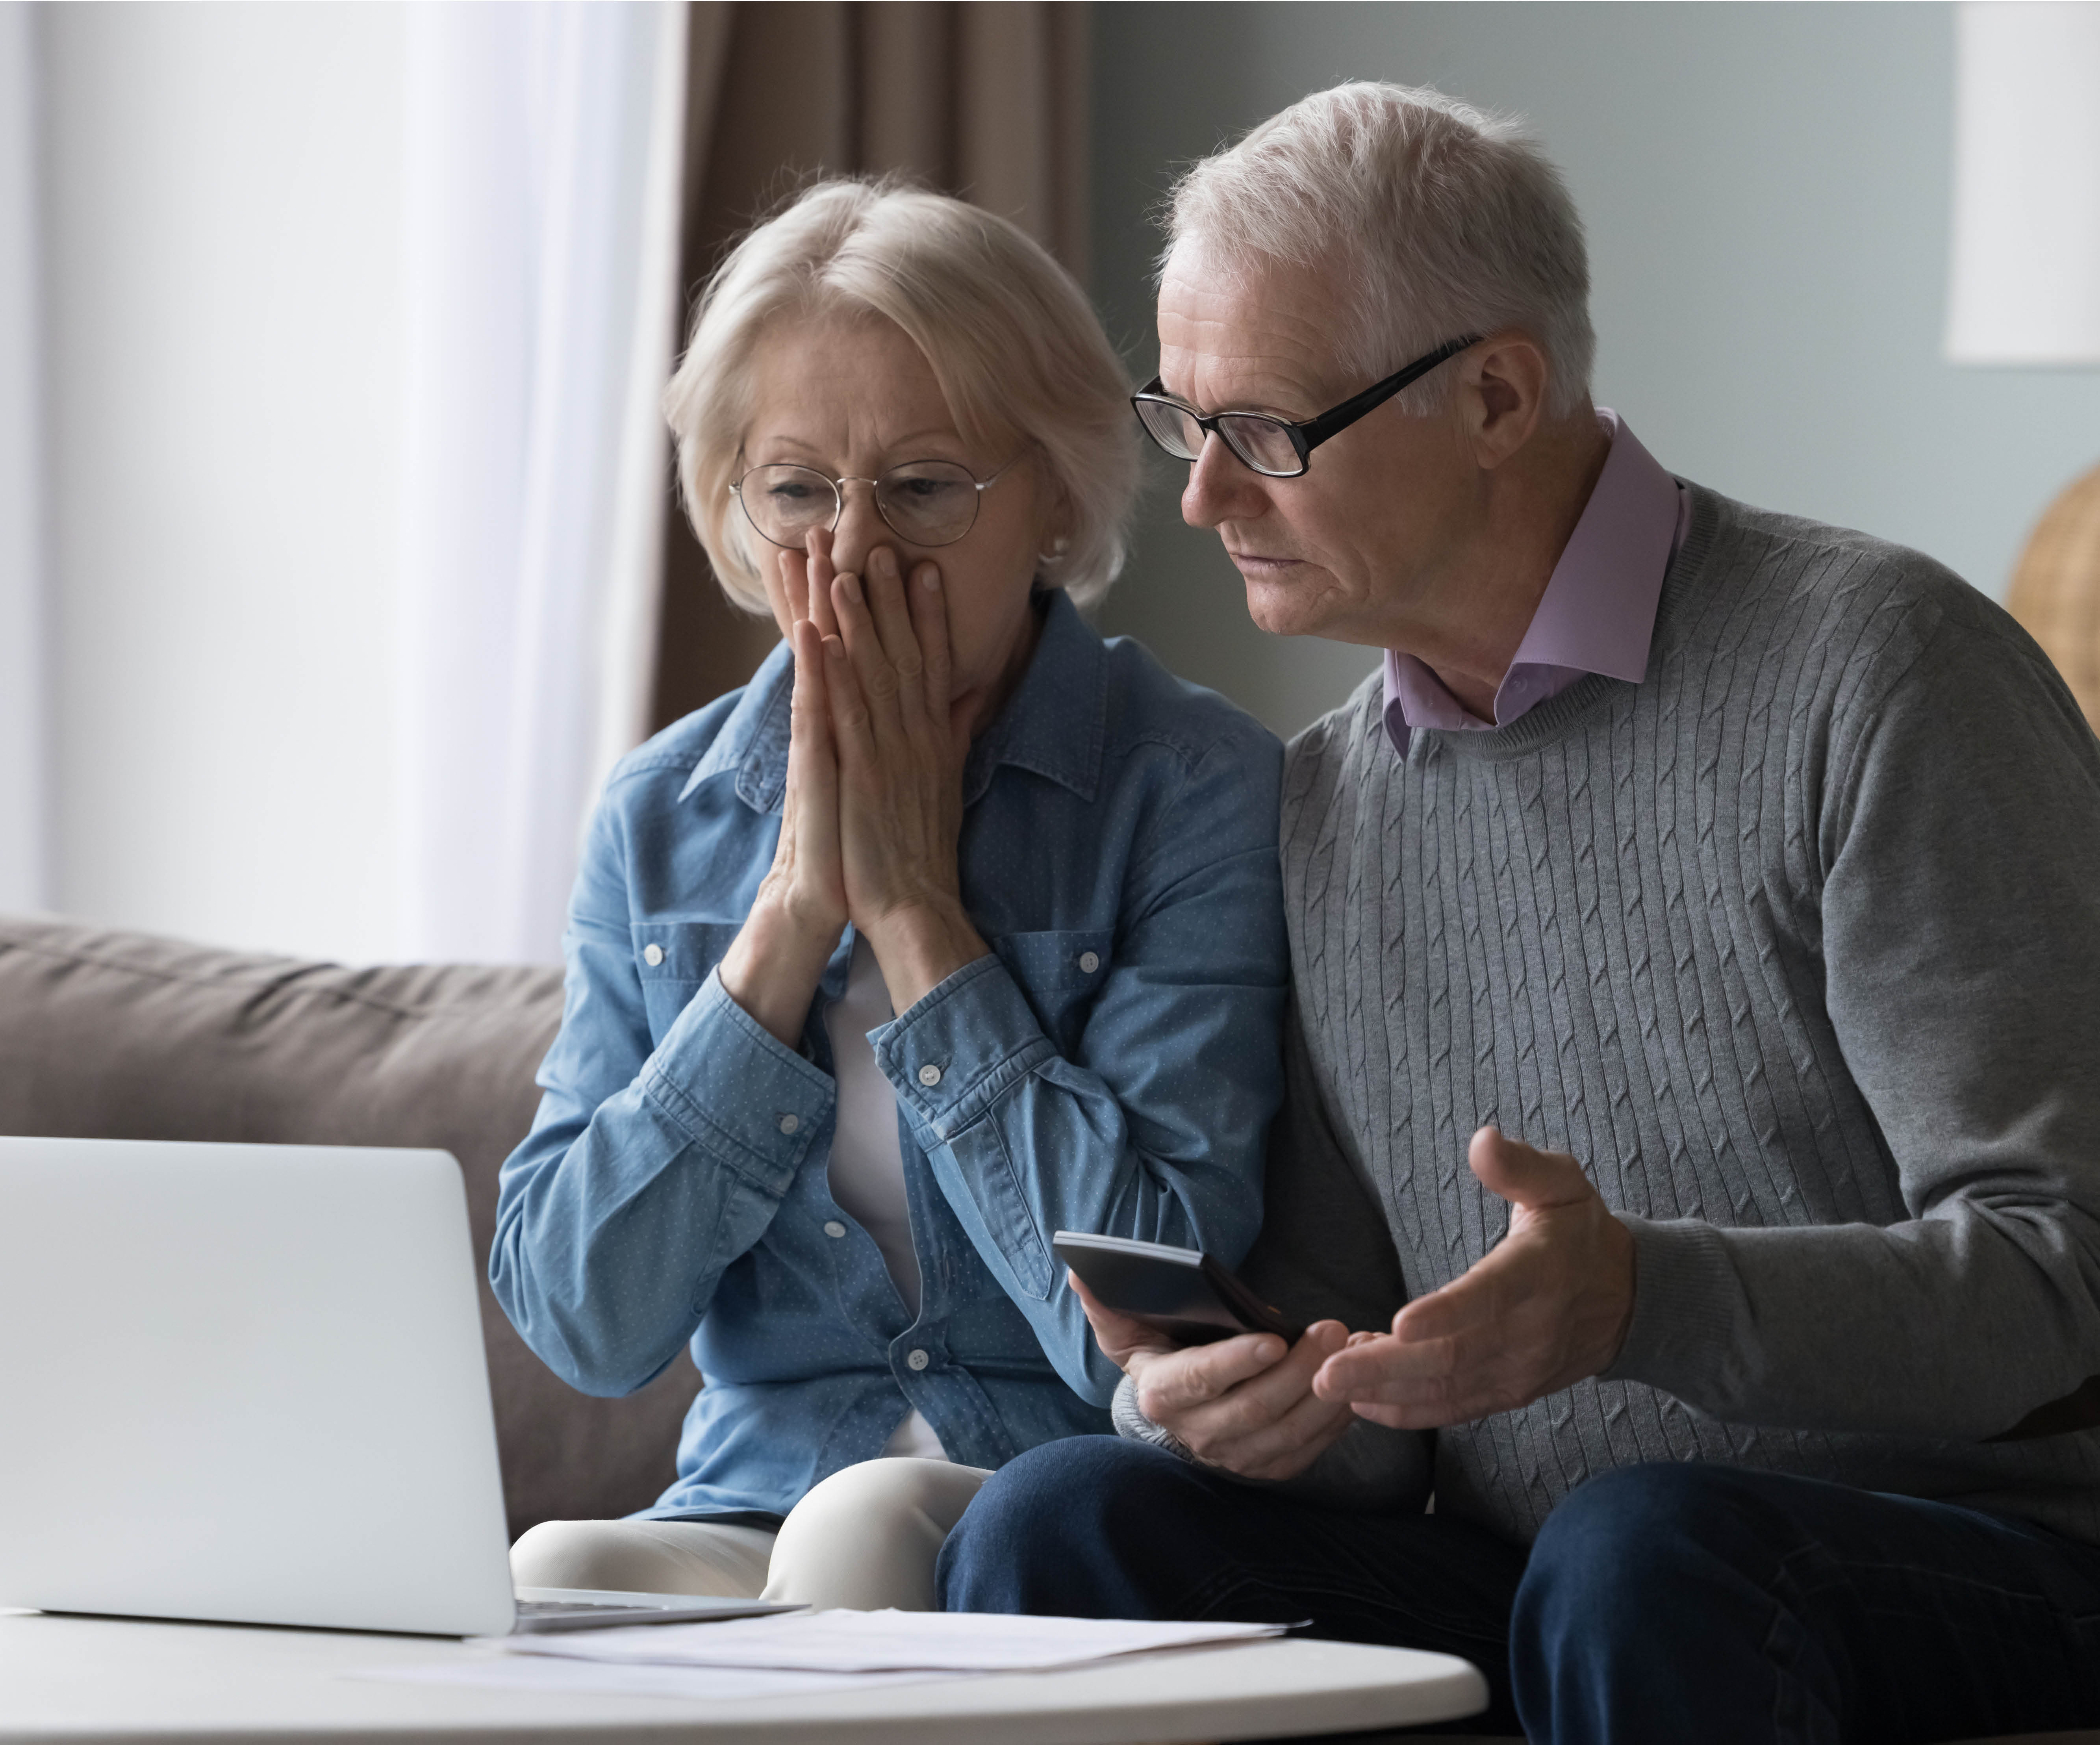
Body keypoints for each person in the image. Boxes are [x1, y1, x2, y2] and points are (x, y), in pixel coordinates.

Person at [937, 82, 2100, 1743]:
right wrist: (1251, 1394)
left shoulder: (1877, 673)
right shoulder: (1330, 802)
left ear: (1493, 394)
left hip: (1969, 1558)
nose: (1202, 499)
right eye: (1180, 421)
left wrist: (1643, 1298)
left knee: (1643, 1551)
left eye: (1262, 430)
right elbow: (1380, 1423)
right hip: (1561, 1575)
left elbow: (2064, 1279)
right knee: (1059, 1521)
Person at [489, 179, 1288, 1612]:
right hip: (758, 1483)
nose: (853, 555)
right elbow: (581, 1320)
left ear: (1050, 492)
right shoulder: (661, 820)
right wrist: (792, 919)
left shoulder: (1194, 791)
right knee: (557, 1572)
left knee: (855, 1536)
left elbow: (1145, 1324)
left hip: (1053, 1485)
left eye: (923, 489)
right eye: (798, 491)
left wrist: (922, 920)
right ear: (736, 508)